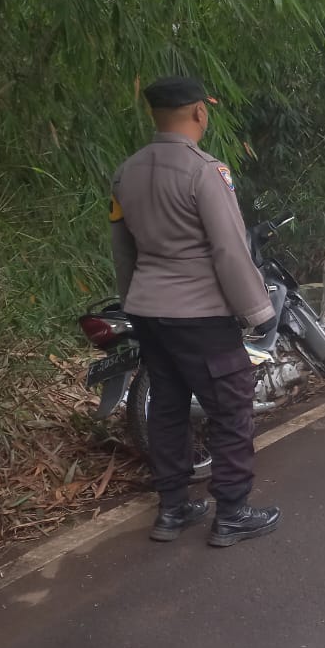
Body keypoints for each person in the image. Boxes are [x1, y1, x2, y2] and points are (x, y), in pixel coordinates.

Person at [110, 76, 279, 547]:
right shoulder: (204, 171)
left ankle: (173, 508)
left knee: (167, 407)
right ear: (200, 112)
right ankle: (232, 513)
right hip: (200, 315)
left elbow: (122, 249)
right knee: (230, 408)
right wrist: (257, 310)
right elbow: (229, 249)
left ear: (154, 115)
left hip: (149, 312)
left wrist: (133, 300)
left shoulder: (126, 171)